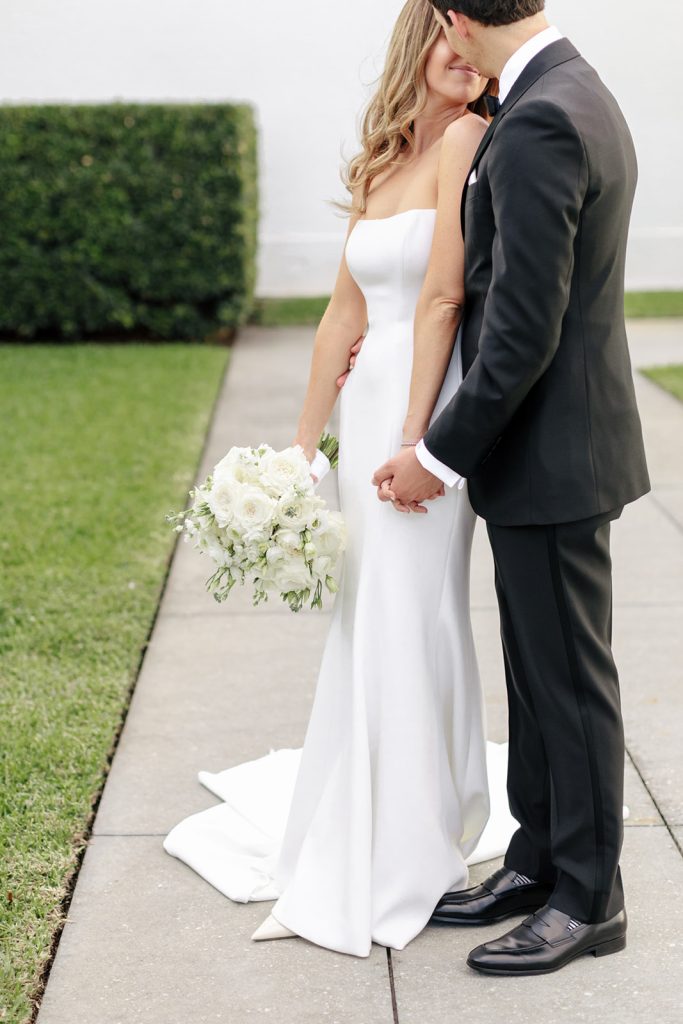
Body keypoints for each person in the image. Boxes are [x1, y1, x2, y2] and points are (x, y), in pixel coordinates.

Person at [163, 0, 521, 957]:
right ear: (422, 38)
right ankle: (379, 801)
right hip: (367, 411)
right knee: (371, 617)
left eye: (471, 42)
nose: (463, 54)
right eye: (447, 34)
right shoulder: (378, 163)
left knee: (413, 613)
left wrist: (414, 439)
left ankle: (407, 843)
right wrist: (301, 445)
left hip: (422, 410)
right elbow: (339, 316)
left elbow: (444, 296)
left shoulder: (470, 144)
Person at [372, 0, 650, 975]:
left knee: (568, 684)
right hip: (550, 451)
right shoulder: (564, 87)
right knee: (538, 679)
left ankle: (587, 897)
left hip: (554, 450)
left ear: (454, 16)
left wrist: (435, 455)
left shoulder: (537, 117)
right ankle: (536, 859)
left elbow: (520, 327)